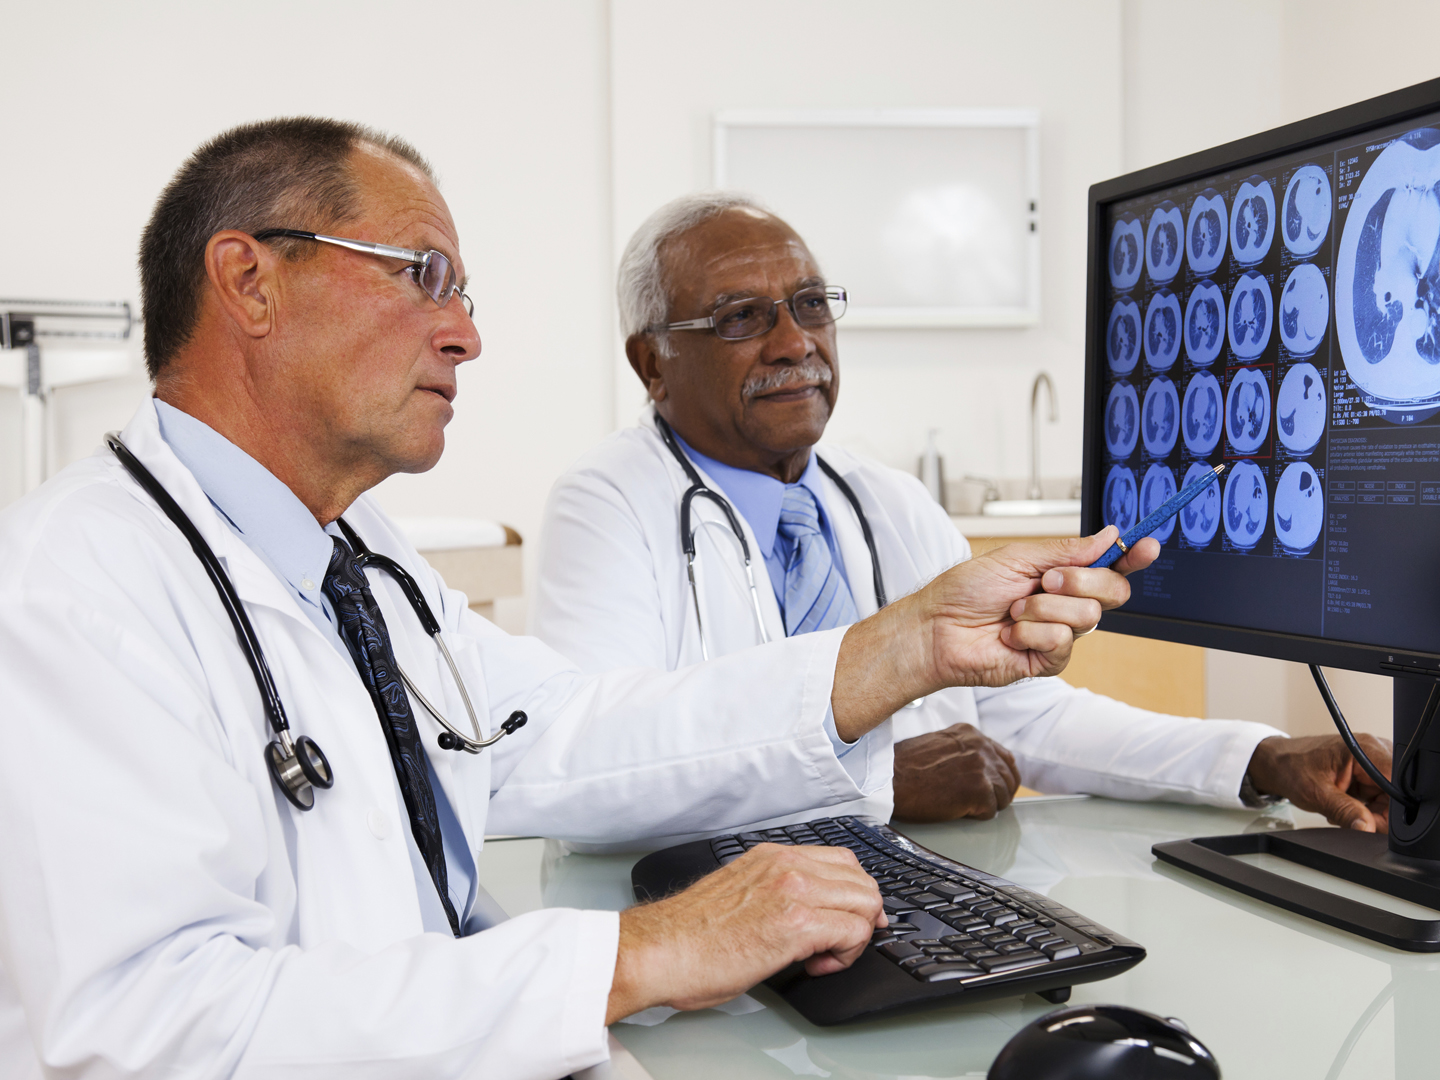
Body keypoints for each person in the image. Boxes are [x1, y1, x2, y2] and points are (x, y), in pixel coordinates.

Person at [0, 120, 1145, 1080]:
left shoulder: (355, 558)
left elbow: (570, 730)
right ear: (250, 280)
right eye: (423, 276)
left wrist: (906, 647)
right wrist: (633, 955)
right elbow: (134, 1032)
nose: (466, 332)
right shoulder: (80, 588)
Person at [531, 192, 1393, 836]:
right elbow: (602, 772)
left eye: (809, 304)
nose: (795, 342)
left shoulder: (887, 502)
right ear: (652, 361)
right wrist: (872, 783)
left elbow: (1019, 717)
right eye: (741, 317)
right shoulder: (606, 505)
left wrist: (1259, 758)